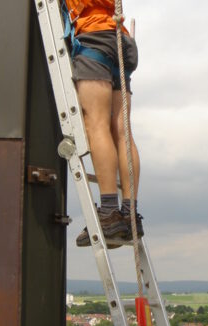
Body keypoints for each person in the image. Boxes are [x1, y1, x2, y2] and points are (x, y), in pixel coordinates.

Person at [64, 0, 143, 246]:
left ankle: (109, 213)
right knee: (122, 131)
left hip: (94, 36)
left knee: (96, 125)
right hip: (120, 39)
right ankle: (129, 215)